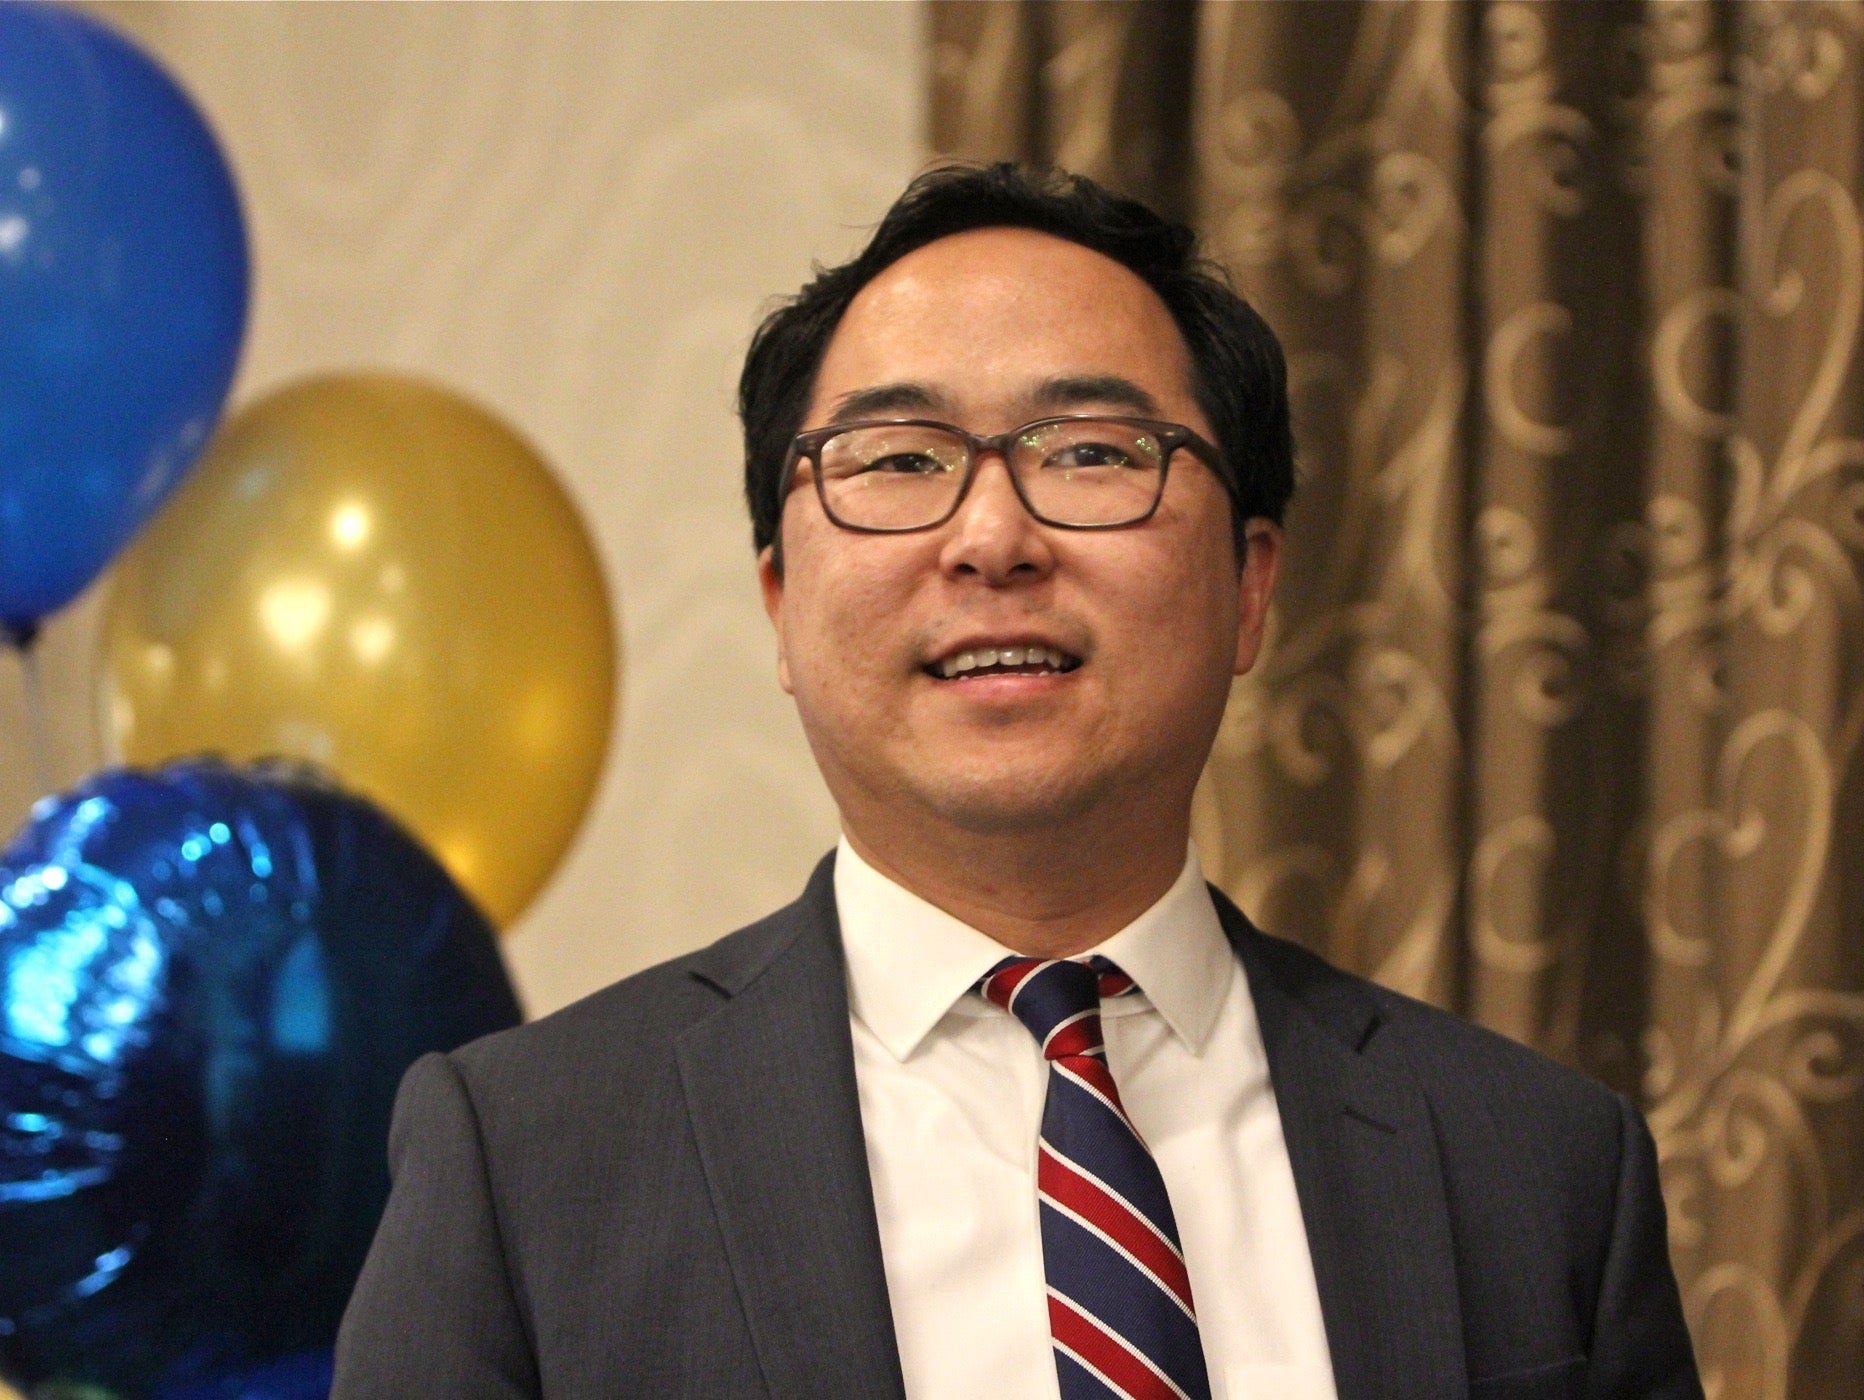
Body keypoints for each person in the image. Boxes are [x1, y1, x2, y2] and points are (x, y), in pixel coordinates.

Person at [332, 164, 1701, 1400]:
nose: (992, 537)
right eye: (899, 461)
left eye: (1093, 453)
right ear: (779, 605)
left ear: (1251, 589)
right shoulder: (524, 1164)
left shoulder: (1542, 1171)